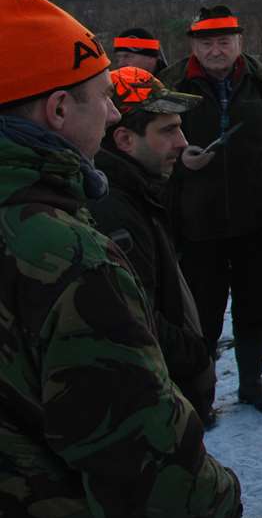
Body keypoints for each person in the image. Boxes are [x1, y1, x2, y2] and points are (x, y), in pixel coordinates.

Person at [0, 0, 242, 517]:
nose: (112, 116)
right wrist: (224, 497)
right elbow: (152, 475)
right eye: (101, 97)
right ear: (59, 108)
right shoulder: (67, 253)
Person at [161, 4, 262, 413]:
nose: (216, 50)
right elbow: (144, 147)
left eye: (224, 41)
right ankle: (200, 397)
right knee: (201, 314)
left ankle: (252, 384)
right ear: (193, 46)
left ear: (239, 42)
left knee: (254, 305)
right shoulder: (169, 88)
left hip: (257, 222)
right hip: (195, 226)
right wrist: (180, 163)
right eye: (207, 43)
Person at [90, 66, 218, 427]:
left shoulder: (139, 191)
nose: (182, 141)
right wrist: (195, 355)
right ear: (124, 139)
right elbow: (136, 322)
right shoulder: (113, 211)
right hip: (153, 406)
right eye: (168, 130)